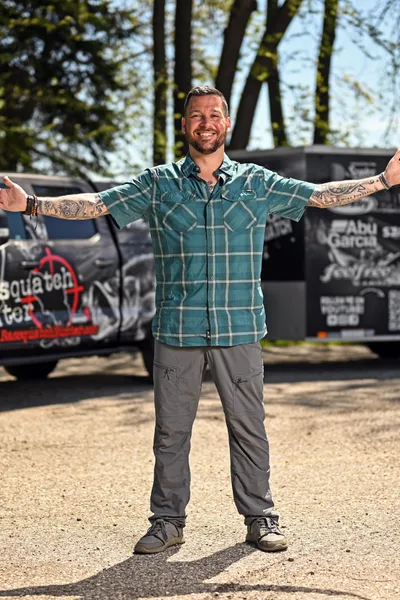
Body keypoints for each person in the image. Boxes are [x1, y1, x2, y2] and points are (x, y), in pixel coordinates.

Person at [1, 86, 400, 555]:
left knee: (249, 427)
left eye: (214, 115)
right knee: (171, 432)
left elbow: (318, 195)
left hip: (240, 328)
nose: (205, 122)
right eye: (196, 115)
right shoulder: (158, 183)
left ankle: (260, 518)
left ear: (226, 123)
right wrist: (31, 205)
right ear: (185, 124)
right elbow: (98, 204)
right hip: (178, 329)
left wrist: (383, 181)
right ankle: (167, 522)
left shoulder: (256, 182)